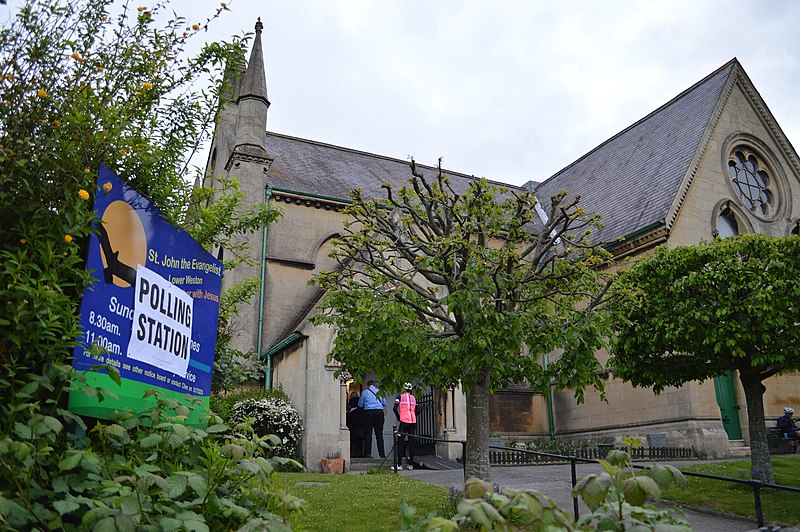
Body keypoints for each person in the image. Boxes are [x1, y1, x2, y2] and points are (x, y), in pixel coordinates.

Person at [358, 380, 387, 458]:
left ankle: (367, 453)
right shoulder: (379, 392)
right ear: (374, 385)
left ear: (368, 385)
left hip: (368, 412)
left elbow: (360, 404)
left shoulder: (365, 392)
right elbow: (384, 403)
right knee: (379, 434)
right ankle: (382, 454)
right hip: (379, 412)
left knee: (368, 434)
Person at [392, 382, 417, 471]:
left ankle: (399, 465)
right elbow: (417, 410)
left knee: (400, 442)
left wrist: (398, 417)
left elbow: (394, 408)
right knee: (412, 443)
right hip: (413, 421)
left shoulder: (400, 397)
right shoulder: (414, 398)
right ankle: (411, 465)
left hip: (404, 421)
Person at [346, 391, 365, 457]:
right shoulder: (361, 404)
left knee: (355, 440)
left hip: (353, 425)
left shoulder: (351, 404)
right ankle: (361, 452)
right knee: (360, 440)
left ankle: (357, 452)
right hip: (361, 424)